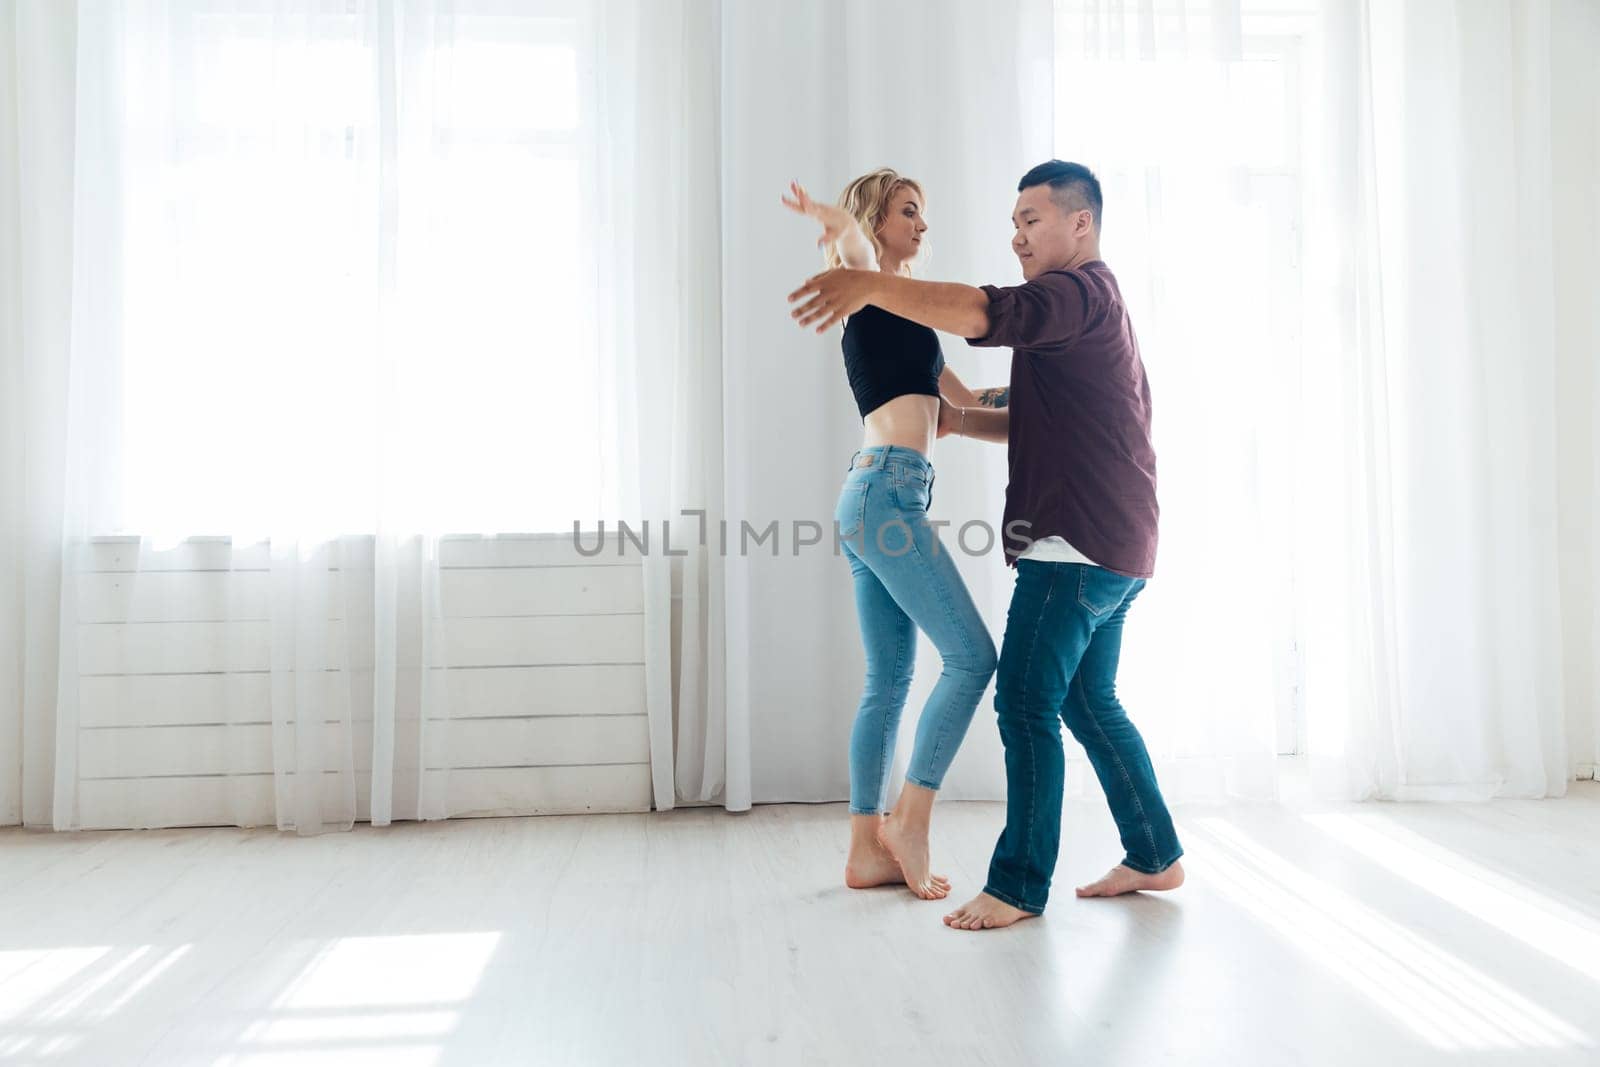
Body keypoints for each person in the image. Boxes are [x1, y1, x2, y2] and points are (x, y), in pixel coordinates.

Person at [788, 160, 1184, 931]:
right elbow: (870, 267)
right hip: (920, 500)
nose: (1016, 236)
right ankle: (1147, 849)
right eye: (1014, 224)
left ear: (1081, 224)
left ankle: (1012, 880)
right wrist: (840, 232)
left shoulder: (1069, 293)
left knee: (1026, 697)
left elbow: (978, 318)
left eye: (1030, 221)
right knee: (1044, 692)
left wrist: (958, 406)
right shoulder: (1076, 309)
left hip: (1062, 539)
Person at [782, 170, 1000, 900]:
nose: (922, 224)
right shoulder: (865, 286)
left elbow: (969, 410)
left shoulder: (921, 325)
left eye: (924, 212)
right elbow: (848, 242)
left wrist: (1051, 390)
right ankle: (908, 822)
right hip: (884, 495)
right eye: (910, 210)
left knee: (890, 680)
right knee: (971, 657)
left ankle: (864, 850)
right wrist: (831, 216)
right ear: (876, 220)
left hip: (877, 494)